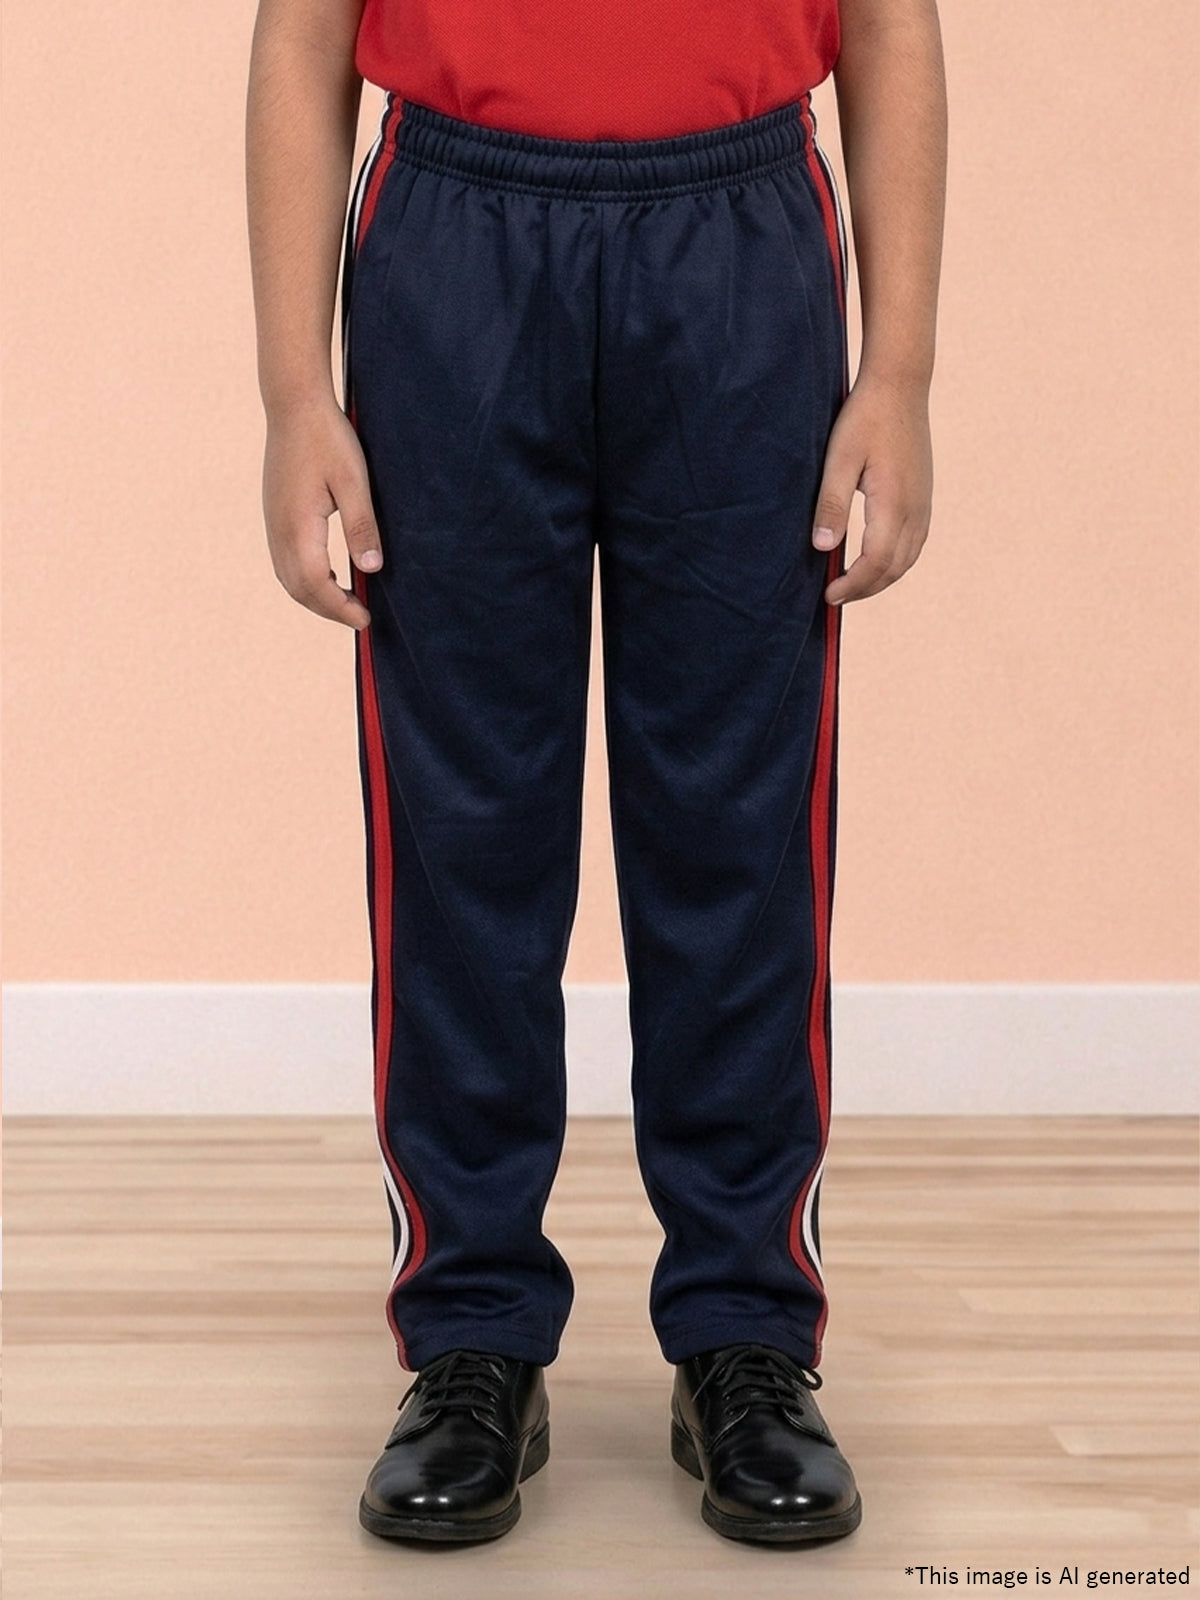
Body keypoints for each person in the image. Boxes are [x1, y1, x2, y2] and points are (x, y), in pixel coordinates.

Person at [245, 0, 946, 1549]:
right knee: (461, 825)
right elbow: (301, 35)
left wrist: (897, 370)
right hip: (455, 240)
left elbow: (891, 24)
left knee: (741, 820)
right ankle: (471, 1334)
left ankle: (747, 1330)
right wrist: (297, 395)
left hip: (738, 238)